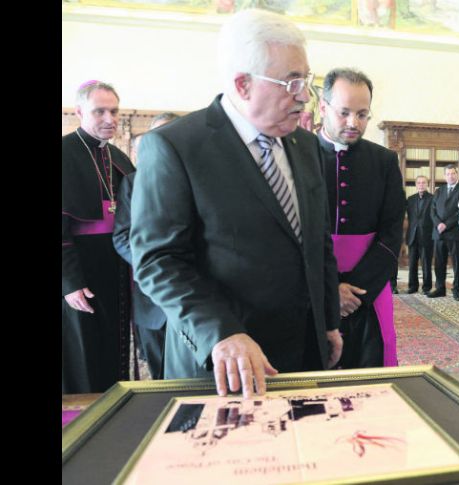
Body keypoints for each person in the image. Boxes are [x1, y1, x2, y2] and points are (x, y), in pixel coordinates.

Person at [130, 9, 342, 398]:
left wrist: (327, 321)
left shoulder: (306, 144)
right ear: (243, 84)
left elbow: (317, 240)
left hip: (304, 349)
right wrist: (221, 333)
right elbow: (158, 261)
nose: (304, 96)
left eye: (306, 80)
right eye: (292, 82)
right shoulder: (177, 147)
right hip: (225, 361)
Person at [317, 67, 404, 368]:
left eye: (362, 114)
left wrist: (355, 290)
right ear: (323, 107)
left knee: (369, 373)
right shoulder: (299, 156)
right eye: (344, 113)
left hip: (368, 290)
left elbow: (392, 233)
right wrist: (330, 291)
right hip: (312, 291)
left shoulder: (384, 161)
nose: (354, 123)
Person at [62, 80, 136, 393]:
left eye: (114, 111)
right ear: (80, 112)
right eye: (100, 111)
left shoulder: (119, 158)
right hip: (80, 269)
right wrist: (70, 283)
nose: (110, 118)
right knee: (83, 349)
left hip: (117, 268)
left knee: (115, 343)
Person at [112, 112, 180, 380]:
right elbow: (122, 237)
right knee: (158, 378)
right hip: (152, 301)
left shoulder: (200, 180)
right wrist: (155, 265)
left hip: (196, 303)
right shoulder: (132, 183)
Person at [428, 165, 459, 301]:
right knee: (439, 262)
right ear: (444, 176)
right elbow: (432, 210)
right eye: (448, 174)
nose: (450, 176)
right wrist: (438, 224)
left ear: (457, 174)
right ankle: (440, 288)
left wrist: (446, 224)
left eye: (453, 173)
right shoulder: (439, 190)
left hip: (455, 233)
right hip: (439, 233)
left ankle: (456, 290)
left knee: (457, 263)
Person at [406, 175, 434, 295]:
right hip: (413, 235)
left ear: (427, 184)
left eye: (423, 183)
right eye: (419, 183)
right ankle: (412, 286)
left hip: (427, 236)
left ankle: (427, 287)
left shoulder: (433, 198)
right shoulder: (410, 199)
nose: (421, 185)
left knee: (426, 263)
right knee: (412, 263)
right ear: (416, 185)